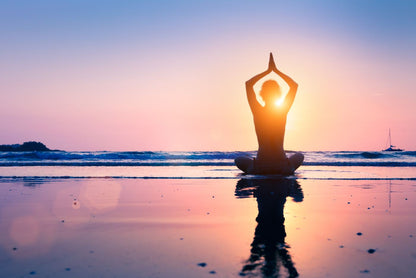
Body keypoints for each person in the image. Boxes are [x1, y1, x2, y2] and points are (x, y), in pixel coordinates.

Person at [235, 53, 304, 175]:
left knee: (238, 159)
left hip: (261, 165)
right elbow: (294, 85)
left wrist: (267, 71)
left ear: (262, 94)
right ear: (278, 94)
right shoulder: (282, 111)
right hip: (282, 165)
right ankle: (288, 168)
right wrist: (276, 71)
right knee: (299, 156)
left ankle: (254, 168)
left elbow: (248, 84)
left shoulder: (257, 111)